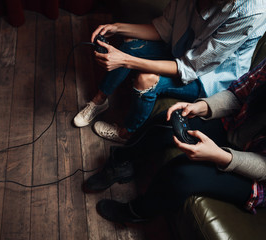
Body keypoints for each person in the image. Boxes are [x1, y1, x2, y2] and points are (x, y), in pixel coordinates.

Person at [83, 57, 266, 224]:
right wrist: (200, 106)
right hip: (236, 128)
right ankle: (121, 163)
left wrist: (220, 156)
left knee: (182, 174)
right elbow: (237, 94)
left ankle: (138, 212)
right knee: (168, 122)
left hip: (257, 172)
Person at [73, 0, 266, 143]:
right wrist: (118, 28)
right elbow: (164, 29)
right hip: (182, 50)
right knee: (131, 46)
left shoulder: (252, 12)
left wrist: (125, 61)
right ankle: (100, 100)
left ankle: (127, 133)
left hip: (208, 77)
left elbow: (189, 67)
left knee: (146, 80)